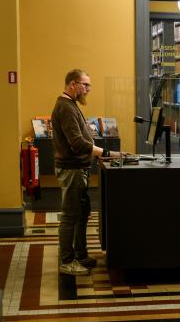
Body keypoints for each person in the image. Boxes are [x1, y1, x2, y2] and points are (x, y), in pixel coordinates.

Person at [51, 69, 125, 275]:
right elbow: (77, 143)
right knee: (70, 216)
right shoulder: (65, 107)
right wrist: (107, 152)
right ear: (72, 84)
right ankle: (67, 262)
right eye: (85, 85)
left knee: (82, 214)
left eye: (89, 86)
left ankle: (80, 255)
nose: (88, 90)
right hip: (71, 169)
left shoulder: (71, 105)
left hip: (78, 168)